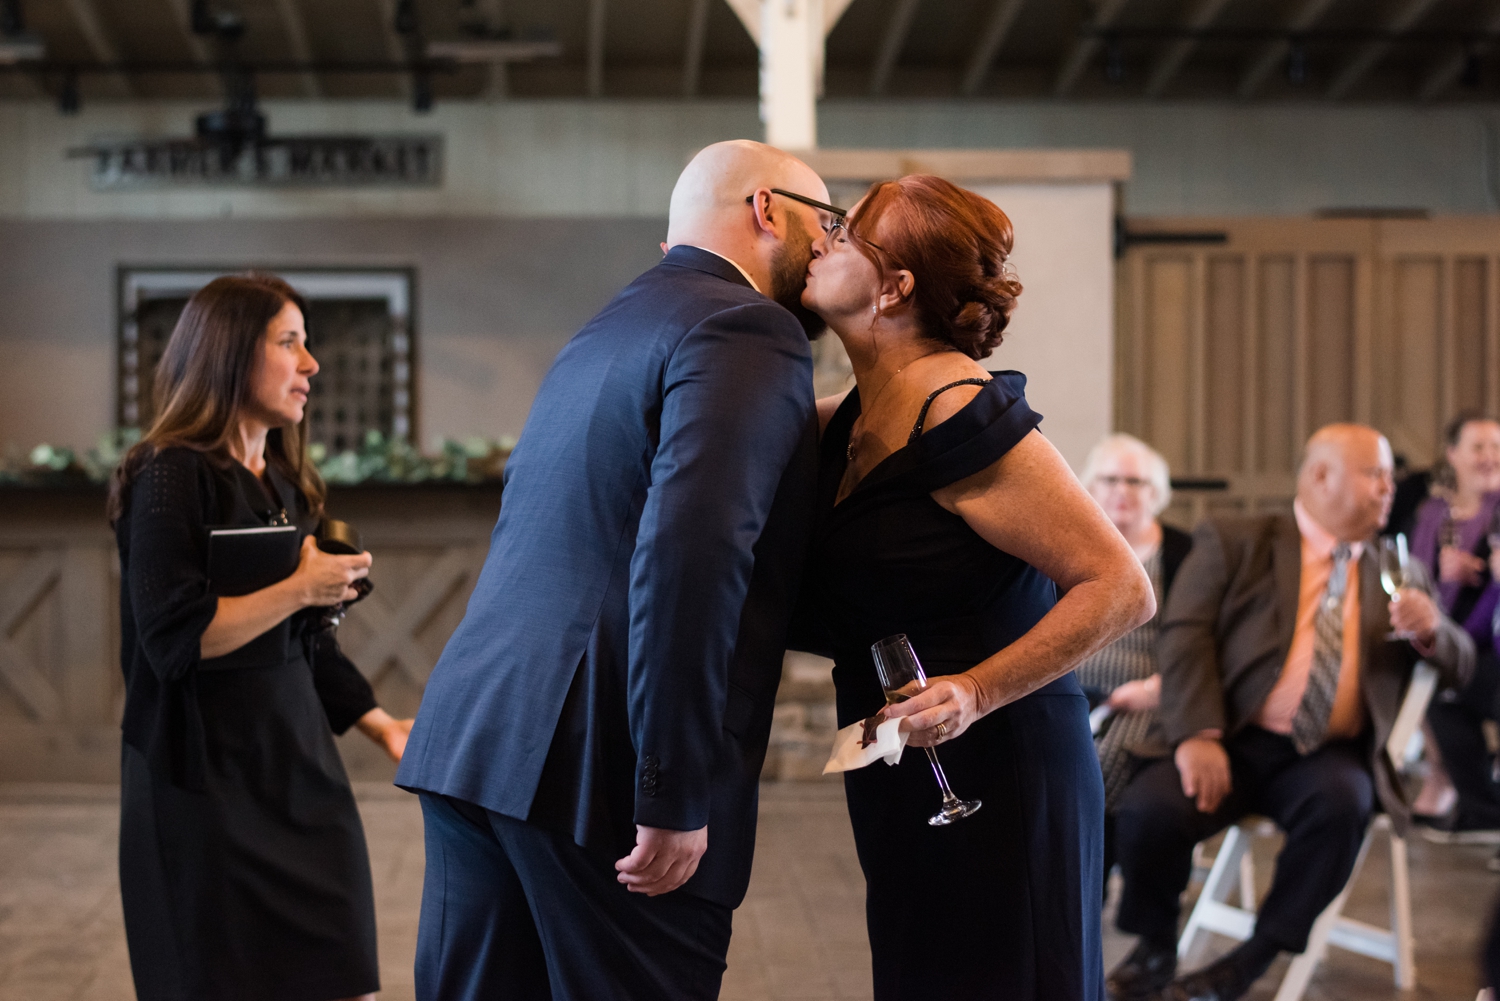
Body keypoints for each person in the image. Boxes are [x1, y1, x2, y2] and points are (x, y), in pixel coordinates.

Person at [393, 141, 830, 1001]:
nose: (833, 244)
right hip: (598, 772)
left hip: (478, 741)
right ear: (767, 211)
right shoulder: (749, 328)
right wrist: (669, 784)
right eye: (829, 220)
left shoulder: (611, 323)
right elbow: (690, 560)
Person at [795, 174, 1156, 1001]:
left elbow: (1122, 587)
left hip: (1001, 764)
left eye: (845, 234)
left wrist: (975, 692)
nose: (821, 241)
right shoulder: (852, 415)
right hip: (903, 760)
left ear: (894, 288)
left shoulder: (959, 413)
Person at [108, 273, 415, 1001]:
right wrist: (301, 586)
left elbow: (306, 641)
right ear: (229, 354)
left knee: (346, 979)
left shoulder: (281, 481)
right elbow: (175, 641)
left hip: (299, 773)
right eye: (289, 342)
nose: (311, 363)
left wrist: (379, 724)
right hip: (202, 789)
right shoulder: (168, 475)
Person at [1105, 424, 1475, 1001]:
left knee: (1344, 807)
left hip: (1325, 755)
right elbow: (1185, 635)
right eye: (1374, 474)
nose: (1388, 489)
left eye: (1388, 477)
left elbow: (1463, 663)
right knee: (1151, 808)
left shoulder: (1395, 566)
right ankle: (1154, 944)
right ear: (1321, 476)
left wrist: (1433, 632)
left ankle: (1247, 963)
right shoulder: (1239, 538)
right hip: (1231, 736)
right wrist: (1197, 734)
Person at [1075, 433, 1194, 899]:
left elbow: (1200, 641)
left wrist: (1156, 688)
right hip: (1076, 688)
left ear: (1156, 492)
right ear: (1090, 486)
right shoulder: (1077, 543)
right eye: (1110, 479)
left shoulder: (1185, 552)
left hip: (1152, 694)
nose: (1122, 490)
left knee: (1098, 760)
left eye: (1136, 481)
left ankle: (1089, 884)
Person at [1411, 412, 1500, 852]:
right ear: (1453, 455)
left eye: (1496, 447)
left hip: (1484, 643)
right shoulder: (1433, 513)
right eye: (1478, 447)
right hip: (1449, 634)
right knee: (1430, 675)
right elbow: (1417, 585)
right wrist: (1447, 579)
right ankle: (1465, 796)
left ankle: (1474, 802)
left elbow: (1491, 605)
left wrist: (1457, 644)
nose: (1489, 457)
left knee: (1447, 685)